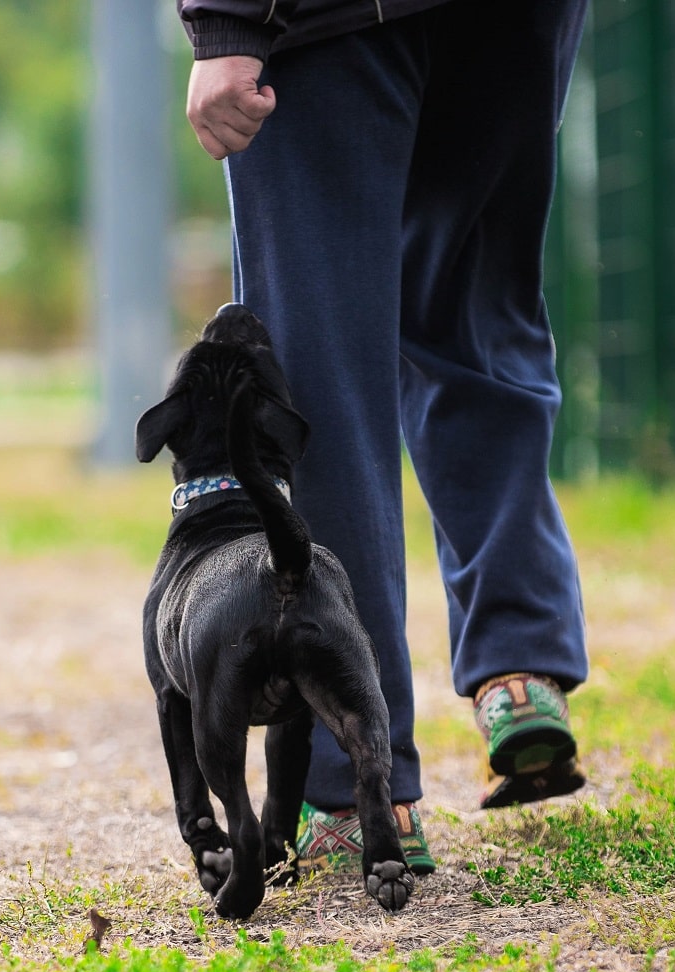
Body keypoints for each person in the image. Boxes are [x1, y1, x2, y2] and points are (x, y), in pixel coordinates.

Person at [176, 0, 590, 874]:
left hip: (327, 20)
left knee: (321, 380)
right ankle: (521, 668)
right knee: (479, 318)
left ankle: (360, 789)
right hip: (514, 25)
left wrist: (226, 25)